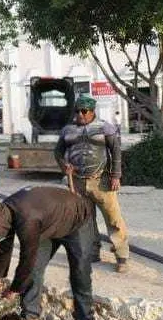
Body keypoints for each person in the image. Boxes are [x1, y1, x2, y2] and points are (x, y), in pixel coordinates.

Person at [0, 184, 95, 320]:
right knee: (35, 270)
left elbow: (27, 259)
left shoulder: (27, 220)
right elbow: (5, 247)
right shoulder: (3, 212)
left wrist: (15, 289)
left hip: (77, 219)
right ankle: (30, 318)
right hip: (47, 223)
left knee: (80, 273)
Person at [54, 94, 130, 273]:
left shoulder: (105, 128)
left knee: (113, 218)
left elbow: (116, 151)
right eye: (77, 111)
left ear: (92, 111)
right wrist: (63, 165)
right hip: (78, 182)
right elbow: (58, 152)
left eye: (84, 111)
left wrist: (115, 176)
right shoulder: (68, 131)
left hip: (101, 180)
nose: (80, 114)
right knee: (85, 220)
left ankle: (122, 256)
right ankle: (93, 252)